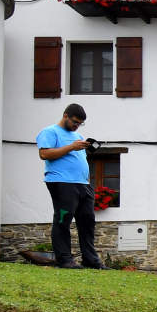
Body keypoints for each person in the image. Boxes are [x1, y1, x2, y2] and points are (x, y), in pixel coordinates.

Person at [36, 103, 103, 269]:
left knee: (87, 221)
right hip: (61, 182)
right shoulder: (50, 132)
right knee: (63, 219)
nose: (76, 126)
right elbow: (44, 154)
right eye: (74, 122)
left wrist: (81, 146)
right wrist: (72, 146)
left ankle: (90, 260)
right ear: (65, 116)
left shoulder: (77, 135)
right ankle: (64, 259)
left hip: (83, 184)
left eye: (80, 123)